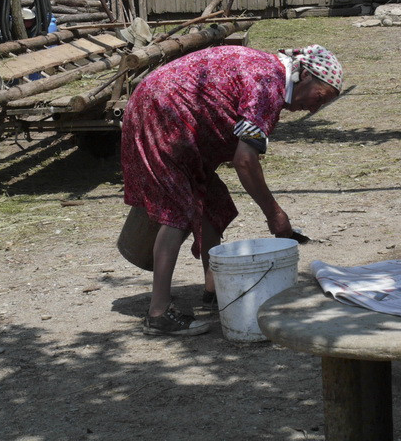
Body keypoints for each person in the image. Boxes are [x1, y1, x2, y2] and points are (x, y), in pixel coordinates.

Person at [119, 43, 343, 336]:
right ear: (305, 76)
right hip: (161, 110)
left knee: (214, 200)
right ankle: (159, 313)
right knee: (177, 210)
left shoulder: (269, 77)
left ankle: (215, 291)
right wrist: (275, 215)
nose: (314, 108)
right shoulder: (269, 84)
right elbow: (245, 161)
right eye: (320, 97)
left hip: (169, 110)